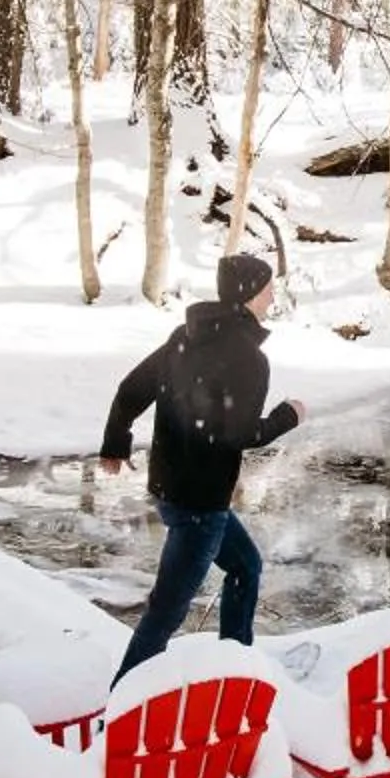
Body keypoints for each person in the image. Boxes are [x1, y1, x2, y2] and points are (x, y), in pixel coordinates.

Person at [100, 252, 304, 678]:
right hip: (201, 503)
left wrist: (115, 443)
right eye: (268, 287)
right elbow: (240, 433)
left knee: (245, 566)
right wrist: (289, 416)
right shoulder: (248, 358)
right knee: (166, 611)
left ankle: (235, 668)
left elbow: (131, 389)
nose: (272, 295)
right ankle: (122, 701)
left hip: (171, 488)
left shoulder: (186, 335)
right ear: (250, 293)